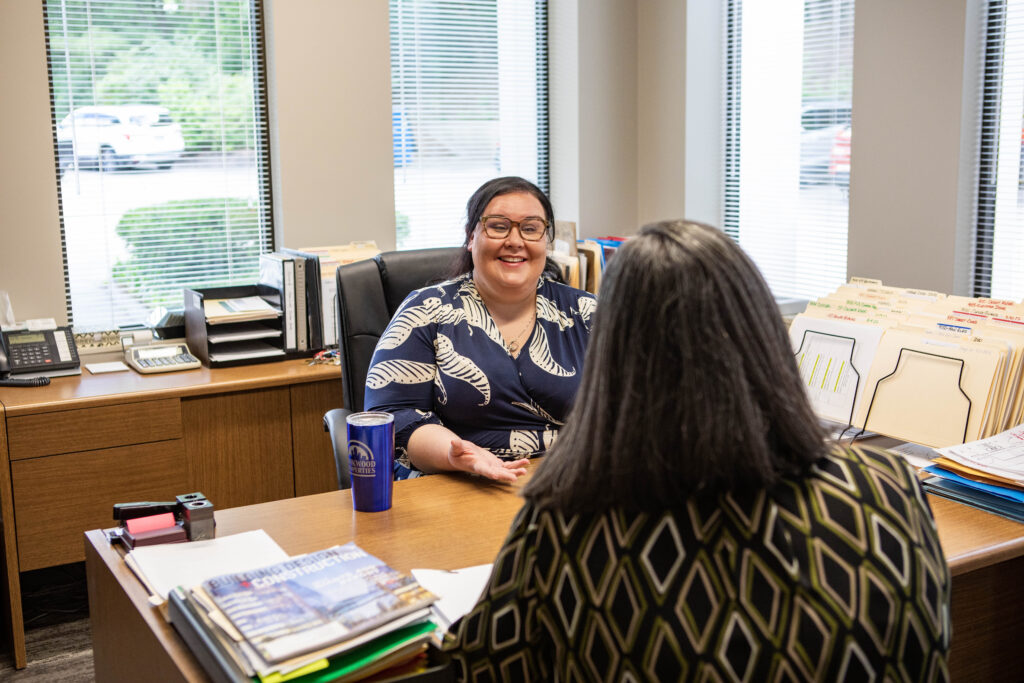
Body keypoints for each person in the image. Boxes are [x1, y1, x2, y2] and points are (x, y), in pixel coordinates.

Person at [445, 220, 951, 681]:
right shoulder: (889, 487)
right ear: (765, 336)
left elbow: (484, 664)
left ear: (612, 361)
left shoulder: (568, 522)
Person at [364, 176, 596, 482]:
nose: (515, 240)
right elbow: (396, 415)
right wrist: (456, 455)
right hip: (456, 483)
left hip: (566, 481)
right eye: (498, 226)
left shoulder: (587, 312)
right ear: (471, 236)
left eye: (530, 228)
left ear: (546, 241)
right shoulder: (426, 310)